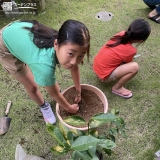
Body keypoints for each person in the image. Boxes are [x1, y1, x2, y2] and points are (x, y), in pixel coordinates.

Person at [0, 19, 90, 124]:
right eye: (70, 54)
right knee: (32, 87)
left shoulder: (65, 41)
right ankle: (44, 106)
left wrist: (78, 90)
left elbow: (74, 68)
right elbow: (55, 94)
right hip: (5, 44)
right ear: (56, 44)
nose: (74, 61)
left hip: (19, 32)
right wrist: (69, 108)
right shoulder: (44, 66)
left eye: (80, 55)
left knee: (49, 79)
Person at [93, 18, 151, 99]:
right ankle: (117, 88)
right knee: (134, 67)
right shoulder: (131, 50)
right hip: (104, 75)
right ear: (140, 40)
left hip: (96, 66)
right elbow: (127, 63)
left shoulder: (121, 34)